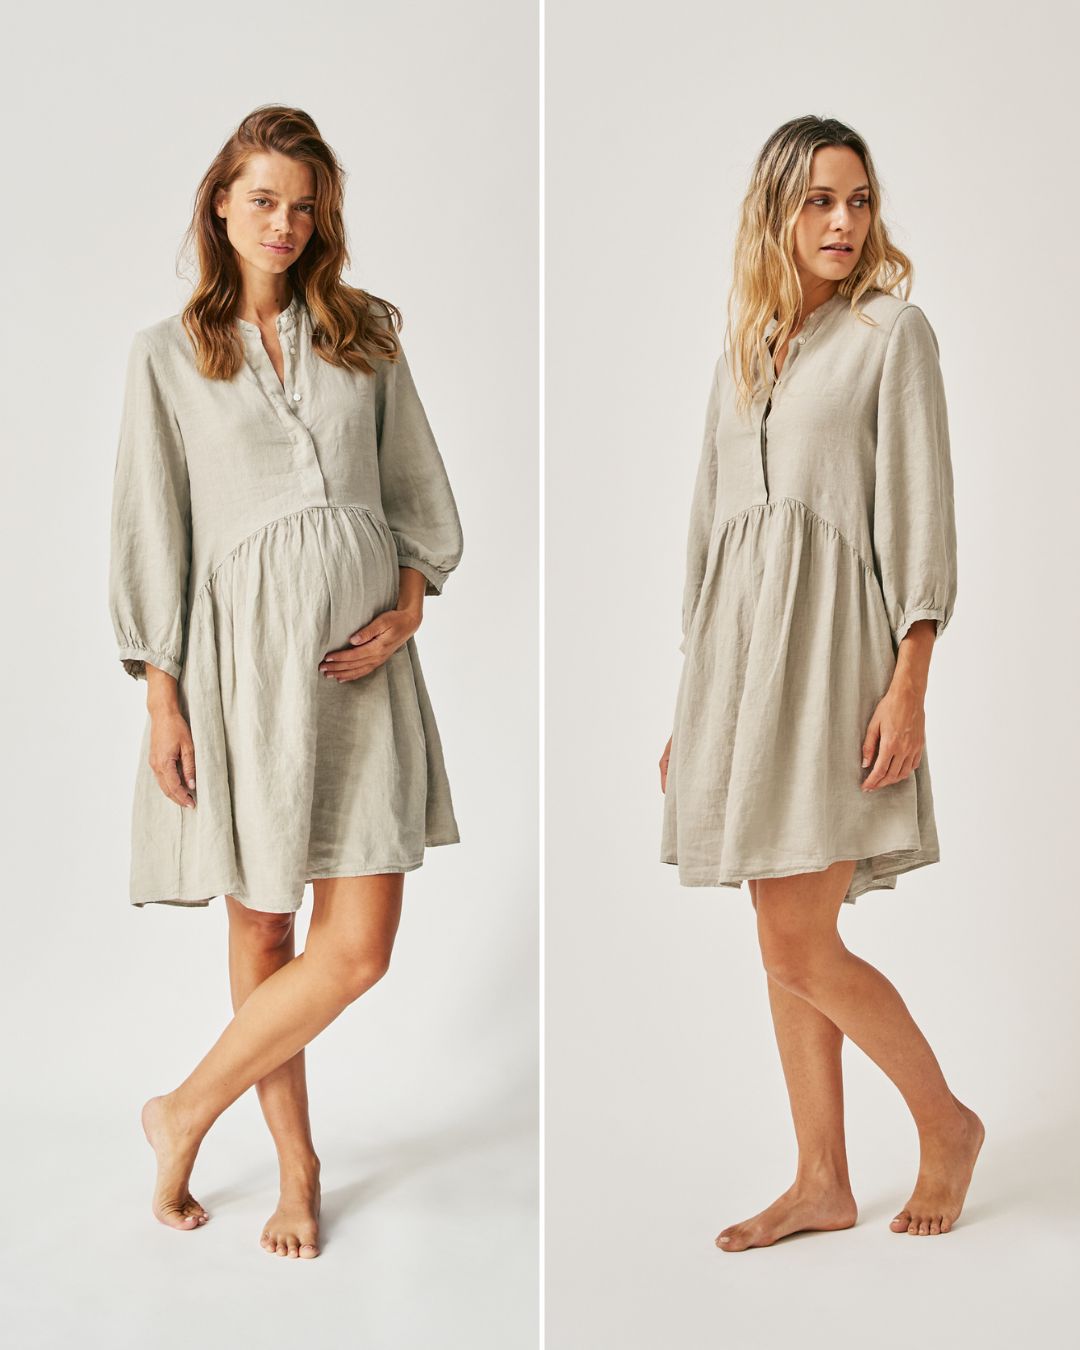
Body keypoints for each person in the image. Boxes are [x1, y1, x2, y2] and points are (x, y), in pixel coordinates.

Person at [108, 105, 463, 1259]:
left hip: (360, 670)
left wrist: (408, 606)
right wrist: (161, 697)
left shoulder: (366, 334)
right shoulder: (166, 355)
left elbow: (415, 492)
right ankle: (297, 1171)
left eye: (303, 206)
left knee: (357, 948)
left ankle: (181, 1111)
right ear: (221, 203)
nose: (284, 223)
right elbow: (152, 530)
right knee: (265, 930)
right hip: (243, 673)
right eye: (263, 199)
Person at [659, 115, 982, 1249]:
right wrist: (694, 701)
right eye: (818, 201)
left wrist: (910, 681)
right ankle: (822, 1180)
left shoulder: (893, 335)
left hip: (838, 661)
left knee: (801, 940)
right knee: (778, 937)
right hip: (740, 669)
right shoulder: (741, 358)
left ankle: (945, 1125)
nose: (843, 222)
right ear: (776, 213)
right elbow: (712, 536)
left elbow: (920, 513)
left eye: (858, 199)